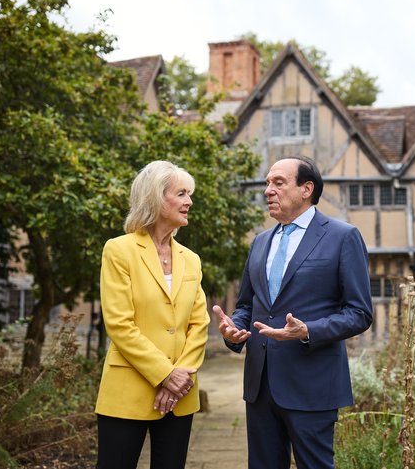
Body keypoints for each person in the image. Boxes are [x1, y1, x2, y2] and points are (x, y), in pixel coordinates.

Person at [213, 155, 373, 469]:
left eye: (278, 182)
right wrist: (235, 330)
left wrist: (308, 331)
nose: (268, 190)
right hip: (260, 386)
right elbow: (247, 305)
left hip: (312, 384)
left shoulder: (342, 237)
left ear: (306, 189)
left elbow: (359, 312)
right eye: (267, 183)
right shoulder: (260, 243)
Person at [95, 160, 210, 469]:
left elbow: (199, 324)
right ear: (157, 198)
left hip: (180, 395)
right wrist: (165, 374)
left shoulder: (192, 260)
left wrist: (180, 377)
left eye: (190, 194)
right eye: (182, 193)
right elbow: (120, 324)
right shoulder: (119, 251)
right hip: (127, 391)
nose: (190, 202)